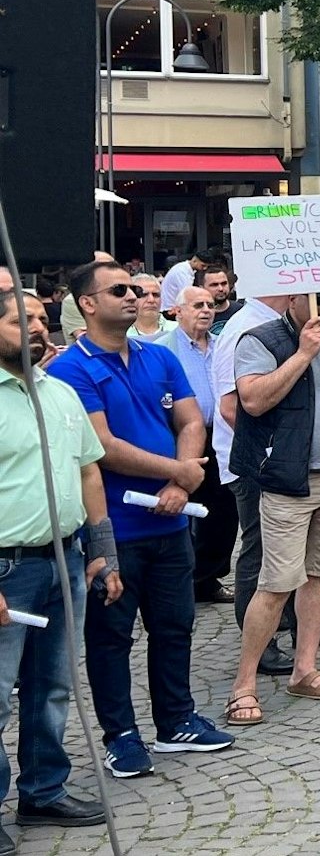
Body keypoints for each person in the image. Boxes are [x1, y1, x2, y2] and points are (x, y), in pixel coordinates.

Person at [46, 262, 233, 775]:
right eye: (120, 290)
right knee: (111, 638)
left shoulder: (159, 357)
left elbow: (191, 418)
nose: (134, 296)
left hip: (173, 522)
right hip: (116, 529)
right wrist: (182, 470)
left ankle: (176, 721)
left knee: (175, 626)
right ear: (87, 302)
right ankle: (122, 735)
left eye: (136, 289)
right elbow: (100, 447)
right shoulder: (72, 369)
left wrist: (178, 484)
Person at [0, 291, 119, 836]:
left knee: (52, 685)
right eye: (18, 320)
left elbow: (89, 471)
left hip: (64, 560)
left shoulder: (62, 391)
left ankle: (43, 791)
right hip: (7, 569)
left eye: (42, 319)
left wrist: (102, 550)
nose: (35, 328)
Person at [226, 290, 320, 723]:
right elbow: (252, 401)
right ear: (294, 296)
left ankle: (304, 669)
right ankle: (244, 685)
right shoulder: (261, 340)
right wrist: (302, 354)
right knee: (276, 583)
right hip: (289, 480)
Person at [207, 288, 291, 678]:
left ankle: (287, 618)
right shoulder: (243, 327)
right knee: (260, 549)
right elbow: (229, 407)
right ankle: (260, 642)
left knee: (288, 546)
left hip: (282, 459)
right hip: (255, 462)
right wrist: (273, 449)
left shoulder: (279, 322)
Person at [162, 287, 238, 606]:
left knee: (222, 511)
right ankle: (175, 578)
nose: (206, 310)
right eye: (197, 305)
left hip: (219, 436)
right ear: (178, 311)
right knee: (179, 504)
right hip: (178, 435)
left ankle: (207, 578)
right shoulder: (163, 349)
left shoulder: (222, 346)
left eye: (209, 305)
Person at [159, 247, 223, 319]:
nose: (204, 268)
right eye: (203, 265)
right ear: (195, 260)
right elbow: (188, 295)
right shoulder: (182, 272)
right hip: (170, 311)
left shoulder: (185, 269)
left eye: (206, 266)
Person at [126, 274, 176, 344]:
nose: (151, 300)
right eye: (143, 295)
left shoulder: (177, 329)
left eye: (156, 295)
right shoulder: (120, 333)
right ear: (131, 298)